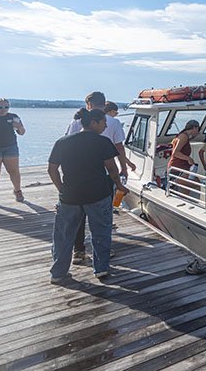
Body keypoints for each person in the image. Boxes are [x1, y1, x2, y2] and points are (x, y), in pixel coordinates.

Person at [48, 108, 128, 283]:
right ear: (93, 122)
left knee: (63, 236)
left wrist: (61, 188)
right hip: (98, 194)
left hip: (70, 196)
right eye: (103, 123)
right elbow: (112, 169)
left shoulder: (62, 142)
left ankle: (58, 273)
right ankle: (101, 269)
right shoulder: (102, 142)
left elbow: (52, 169)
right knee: (101, 232)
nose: (105, 125)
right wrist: (120, 185)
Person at [66, 91, 135, 265]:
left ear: (88, 104)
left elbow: (67, 145)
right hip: (104, 173)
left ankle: (79, 250)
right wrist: (124, 169)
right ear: (104, 104)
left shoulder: (77, 122)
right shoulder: (113, 122)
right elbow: (119, 148)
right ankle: (103, 249)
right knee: (103, 216)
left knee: (79, 215)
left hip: (78, 174)